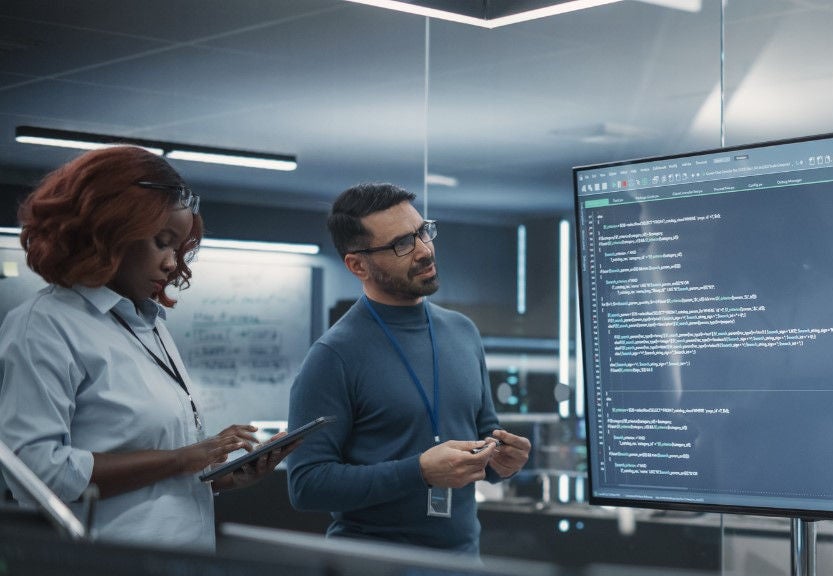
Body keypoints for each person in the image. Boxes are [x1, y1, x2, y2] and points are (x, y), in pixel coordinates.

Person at [0, 146, 297, 552]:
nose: (173, 263)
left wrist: (221, 474)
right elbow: (34, 473)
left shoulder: (148, 323)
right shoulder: (46, 325)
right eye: (163, 243)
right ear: (108, 231)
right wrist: (182, 459)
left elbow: (155, 475)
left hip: (181, 569)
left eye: (180, 248)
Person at [286, 183, 530, 554]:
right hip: (373, 572)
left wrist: (503, 461)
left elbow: (483, 438)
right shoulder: (333, 355)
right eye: (402, 244)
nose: (424, 250)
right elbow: (306, 484)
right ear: (357, 264)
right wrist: (418, 472)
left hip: (462, 566)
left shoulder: (463, 332)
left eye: (423, 232)